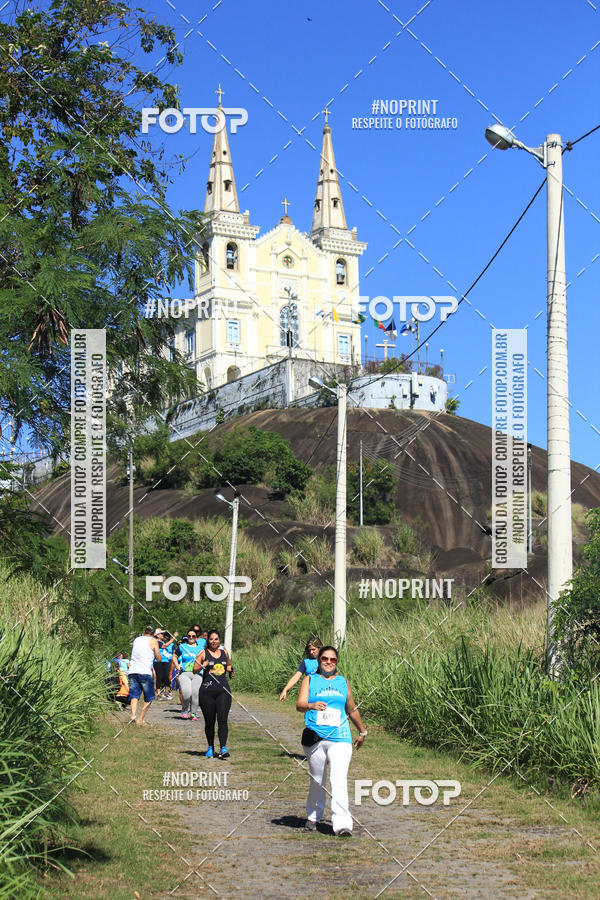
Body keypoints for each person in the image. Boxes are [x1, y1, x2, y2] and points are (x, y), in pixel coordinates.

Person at [296, 645, 367, 836]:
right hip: (315, 737)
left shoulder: (343, 682)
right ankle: (313, 816)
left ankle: (342, 824)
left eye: (333, 659)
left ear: (337, 662)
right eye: (325, 659)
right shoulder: (310, 679)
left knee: (339, 779)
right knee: (317, 779)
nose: (328, 662)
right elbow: (299, 705)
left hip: (341, 738)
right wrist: (311, 705)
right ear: (319, 661)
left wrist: (362, 731)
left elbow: (351, 709)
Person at [194, 629, 233, 759]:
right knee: (210, 722)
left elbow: (227, 666)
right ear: (207, 640)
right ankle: (210, 747)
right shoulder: (203, 653)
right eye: (211, 639)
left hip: (223, 691)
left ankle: (223, 747)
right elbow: (194, 670)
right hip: (207, 692)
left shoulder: (224, 652)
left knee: (222, 720)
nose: (213, 642)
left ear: (219, 640)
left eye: (216, 639)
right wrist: (202, 665)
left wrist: (231, 670)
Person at [128, 626, 162, 725]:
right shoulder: (153, 640)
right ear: (153, 633)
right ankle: (140, 719)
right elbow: (158, 657)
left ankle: (133, 716)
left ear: (144, 632)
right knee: (149, 697)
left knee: (134, 695)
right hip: (145, 672)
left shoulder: (136, 639)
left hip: (133, 670)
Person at [174, 629, 205, 719]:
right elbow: (174, 656)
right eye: (189, 636)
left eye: (193, 636)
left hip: (198, 673)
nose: (191, 638)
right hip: (184, 673)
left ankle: (193, 713)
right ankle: (185, 708)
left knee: (195, 693)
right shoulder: (182, 647)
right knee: (186, 693)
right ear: (187, 637)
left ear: (196, 637)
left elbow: (206, 658)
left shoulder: (201, 648)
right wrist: (177, 665)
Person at [155, 630, 178, 700]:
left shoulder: (168, 643)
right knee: (159, 677)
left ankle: (167, 691)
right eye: (161, 634)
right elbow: (165, 646)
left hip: (167, 661)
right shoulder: (157, 642)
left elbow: (173, 652)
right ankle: (158, 693)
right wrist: (174, 637)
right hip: (158, 661)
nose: (162, 636)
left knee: (167, 677)